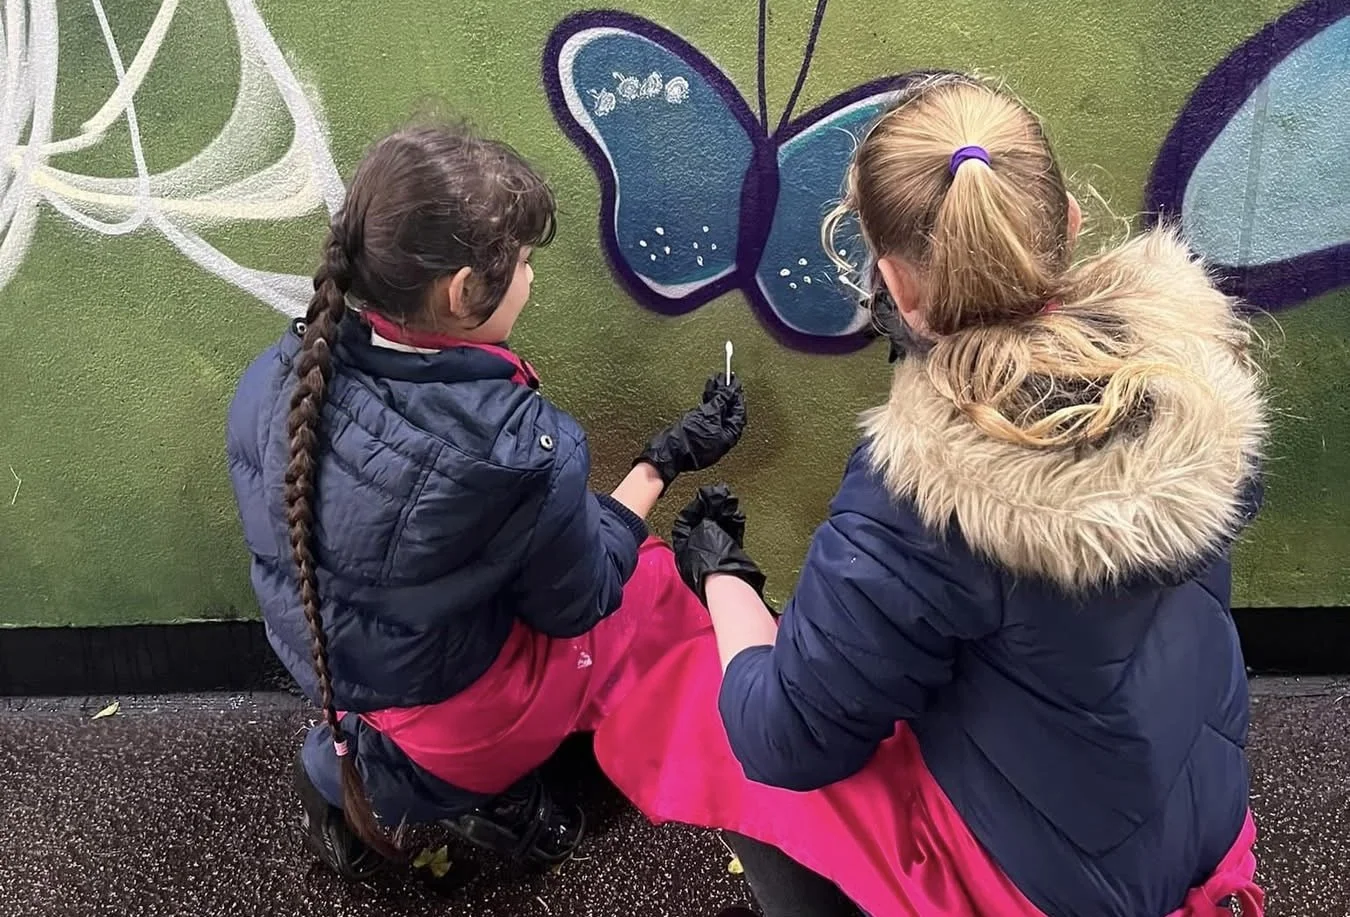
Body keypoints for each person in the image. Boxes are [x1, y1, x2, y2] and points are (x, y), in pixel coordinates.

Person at [593, 73, 1267, 917]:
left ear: (894, 286)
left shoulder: (920, 492)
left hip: (1060, 887)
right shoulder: (1192, 375)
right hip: (1187, 819)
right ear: (1066, 226)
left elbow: (785, 737)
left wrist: (723, 575)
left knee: (707, 700)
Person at [225, 124, 743, 882]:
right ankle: (471, 784)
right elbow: (583, 597)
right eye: (525, 264)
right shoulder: (518, 450)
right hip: (455, 708)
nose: (531, 280)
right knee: (650, 583)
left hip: (346, 677)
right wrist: (665, 459)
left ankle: (369, 765)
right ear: (464, 291)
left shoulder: (278, 376)